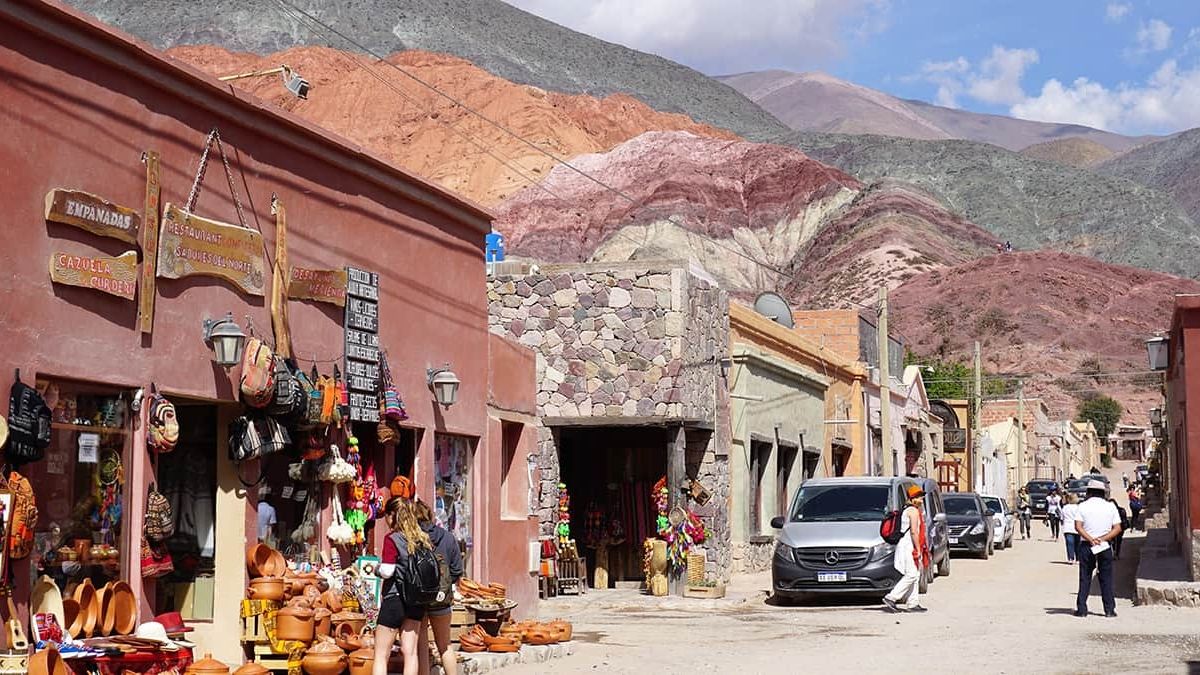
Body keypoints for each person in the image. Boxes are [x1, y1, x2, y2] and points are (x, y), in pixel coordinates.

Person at [374, 498, 432, 675]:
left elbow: (387, 571)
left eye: (387, 515)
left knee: (381, 654)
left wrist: (376, 569)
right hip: (417, 601)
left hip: (395, 598)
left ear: (393, 515)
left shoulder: (392, 539)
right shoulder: (423, 539)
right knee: (411, 652)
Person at [413, 499, 463, 675]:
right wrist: (446, 583)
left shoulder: (412, 538)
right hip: (442, 598)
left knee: (421, 644)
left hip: (417, 598)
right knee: (445, 645)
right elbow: (457, 569)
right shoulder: (448, 538)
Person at [1074, 480, 1122, 618]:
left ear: (1089, 492)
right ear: (1103, 493)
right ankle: (1109, 609)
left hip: (1086, 545)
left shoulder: (1082, 506)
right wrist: (1102, 539)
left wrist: (1090, 539)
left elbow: (1078, 526)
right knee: (1106, 578)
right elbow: (1118, 528)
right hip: (1104, 545)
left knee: (1085, 577)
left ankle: (1082, 609)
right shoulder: (1110, 506)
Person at [882, 485, 930, 614]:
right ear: (914, 498)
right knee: (912, 574)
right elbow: (914, 531)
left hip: (907, 545)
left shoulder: (908, 509)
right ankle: (891, 597)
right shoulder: (913, 511)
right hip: (908, 546)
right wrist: (918, 549)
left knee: (916, 573)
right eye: (920, 496)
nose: (922, 499)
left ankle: (913, 603)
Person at [1060, 494, 1080, 563]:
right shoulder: (1079, 508)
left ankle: (1070, 558)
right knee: (1077, 544)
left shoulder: (1065, 508)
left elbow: (1062, 518)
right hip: (1077, 528)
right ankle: (1078, 558)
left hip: (1067, 527)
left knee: (1069, 544)